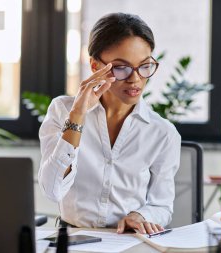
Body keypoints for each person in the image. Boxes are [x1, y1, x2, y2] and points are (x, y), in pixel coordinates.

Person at [38, 12, 181, 235]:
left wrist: (141, 216)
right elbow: (53, 190)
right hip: (74, 238)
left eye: (144, 66)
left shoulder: (162, 133)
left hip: (128, 240)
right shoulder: (62, 110)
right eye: (121, 68)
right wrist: (77, 115)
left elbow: (162, 205)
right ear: (96, 66)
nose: (135, 79)